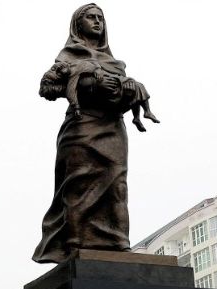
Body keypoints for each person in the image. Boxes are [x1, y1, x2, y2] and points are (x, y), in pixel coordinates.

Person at [33, 3, 151, 263]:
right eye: (91, 17)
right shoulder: (68, 57)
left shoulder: (115, 63)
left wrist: (128, 90)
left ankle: (120, 243)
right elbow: (47, 89)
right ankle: (75, 244)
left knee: (117, 185)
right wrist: (89, 83)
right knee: (79, 186)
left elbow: (121, 96)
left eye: (101, 18)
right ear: (78, 24)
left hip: (113, 129)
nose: (97, 22)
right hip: (81, 127)